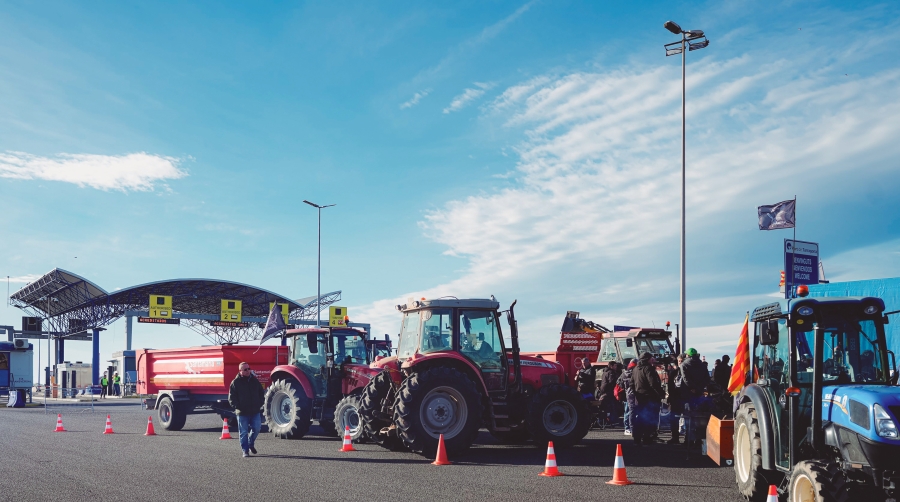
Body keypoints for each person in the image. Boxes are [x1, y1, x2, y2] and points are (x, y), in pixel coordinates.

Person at [228, 362, 265, 458]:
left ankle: (250, 443)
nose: (248, 371)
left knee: (257, 428)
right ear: (240, 371)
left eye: (249, 368)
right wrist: (238, 406)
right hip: (242, 412)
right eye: (245, 370)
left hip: (255, 411)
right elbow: (232, 398)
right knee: (243, 432)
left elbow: (261, 393)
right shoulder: (235, 383)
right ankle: (245, 450)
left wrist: (260, 403)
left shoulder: (254, 381)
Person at [632, 352, 665, 446]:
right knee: (650, 418)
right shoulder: (648, 368)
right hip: (650, 398)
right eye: (651, 358)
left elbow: (631, 384)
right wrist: (661, 394)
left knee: (640, 418)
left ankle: (637, 438)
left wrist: (637, 394)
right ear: (648, 359)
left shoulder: (635, 369)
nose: (653, 359)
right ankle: (647, 438)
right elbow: (653, 383)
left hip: (640, 398)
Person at [665, 355, 685, 444]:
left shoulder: (685, 372)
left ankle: (688, 439)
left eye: (682, 361)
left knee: (687, 419)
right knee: (674, 419)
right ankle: (675, 437)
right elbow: (670, 385)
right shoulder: (674, 372)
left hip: (684, 398)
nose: (680, 362)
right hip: (675, 398)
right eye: (679, 361)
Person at [617, 360, 637, 436]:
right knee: (630, 411)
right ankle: (629, 428)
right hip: (633, 394)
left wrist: (624, 388)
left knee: (627, 411)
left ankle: (627, 428)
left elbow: (618, 382)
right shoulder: (635, 373)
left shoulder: (624, 373)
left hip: (626, 394)